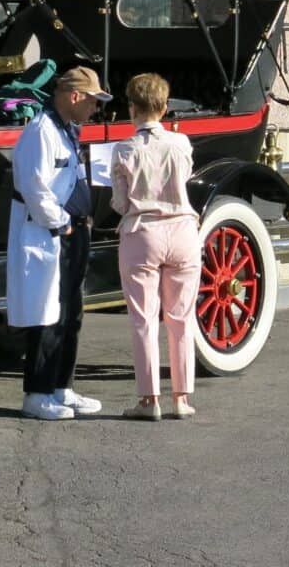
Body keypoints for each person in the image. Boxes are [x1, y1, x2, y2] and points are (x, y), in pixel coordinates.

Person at [7, 65, 112, 420]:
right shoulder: (41, 131)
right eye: (93, 101)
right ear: (74, 96)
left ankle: (61, 387)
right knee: (47, 314)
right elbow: (33, 187)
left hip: (73, 231)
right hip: (52, 234)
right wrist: (63, 223)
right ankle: (36, 395)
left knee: (72, 313)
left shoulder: (67, 129)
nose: (96, 108)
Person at [110, 73, 202, 421]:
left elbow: (119, 203)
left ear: (131, 107)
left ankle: (149, 400)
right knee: (180, 318)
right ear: (164, 107)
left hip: (142, 231)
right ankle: (181, 398)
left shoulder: (124, 149)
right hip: (182, 230)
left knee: (143, 319)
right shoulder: (182, 144)